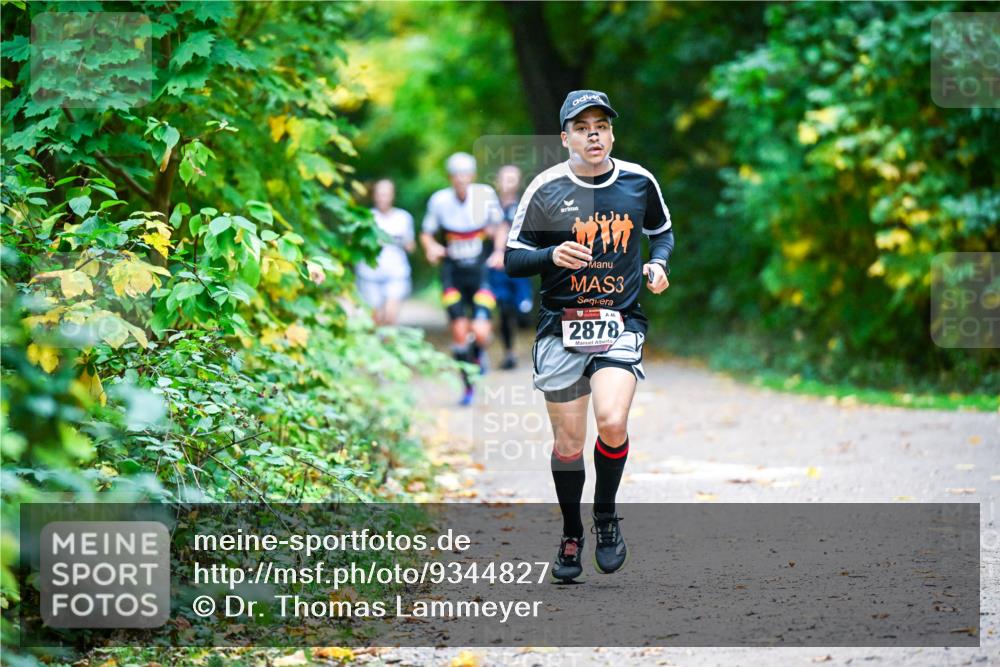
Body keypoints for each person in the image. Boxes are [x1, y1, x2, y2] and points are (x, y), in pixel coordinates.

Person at [504, 90, 674, 582]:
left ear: (612, 134)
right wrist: (551, 255)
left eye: (601, 125)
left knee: (613, 420)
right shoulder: (545, 189)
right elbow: (513, 259)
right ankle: (571, 530)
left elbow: (661, 231)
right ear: (565, 138)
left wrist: (658, 263)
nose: (593, 133)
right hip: (561, 327)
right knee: (569, 444)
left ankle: (605, 517)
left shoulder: (638, 182)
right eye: (581, 127)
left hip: (619, 321)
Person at [421, 152, 505, 406]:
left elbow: (500, 225)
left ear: (472, 175)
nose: (461, 179)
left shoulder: (485, 195)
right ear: (450, 177)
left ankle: (479, 353)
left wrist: (500, 251)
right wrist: (431, 248)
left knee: (480, 332)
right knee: (459, 333)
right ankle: (467, 388)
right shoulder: (439, 201)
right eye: (456, 175)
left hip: (481, 272)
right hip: (452, 274)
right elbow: (426, 233)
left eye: (465, 174)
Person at [487, 165, 535, 370]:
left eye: (513, 178)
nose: (509, 182)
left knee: (524, 313)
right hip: (496, 267)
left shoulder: (525, 205)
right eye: (505, 178)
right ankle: (509, 352)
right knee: (504, 310)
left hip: (519, 264)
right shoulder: (489, 207)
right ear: (497, 181)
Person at [356, 178, 415, 326]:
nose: (383, 198)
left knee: (390, 315)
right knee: (375, 319)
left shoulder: (404, 218)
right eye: (379, 194)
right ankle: (377, 346)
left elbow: (411, 245)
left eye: (386, 194)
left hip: (396, 273)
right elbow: (355, 245)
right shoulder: (365, 218)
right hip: (369, 274)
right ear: (374, 195)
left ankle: (388, 343)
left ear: (393, 195)